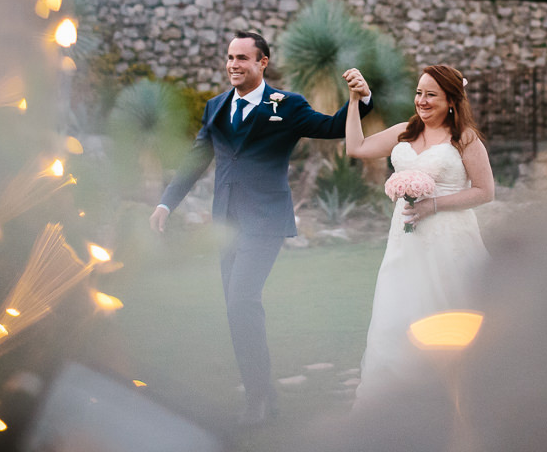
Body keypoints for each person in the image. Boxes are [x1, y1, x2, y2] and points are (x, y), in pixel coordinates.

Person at [149, 31, 373, 426]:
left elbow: (334, 126)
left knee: (241, 302)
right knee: (237, 313)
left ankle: (257, 398)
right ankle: (261, 390)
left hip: (265, 222)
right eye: (230, 57)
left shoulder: (286, 106)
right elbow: (197, 159)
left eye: (242, 58)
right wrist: (167, 202)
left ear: (262, 62)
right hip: (226, 225)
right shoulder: (216, 107)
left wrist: (361, 100)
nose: (233, 64)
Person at [341, 64, 494, 410]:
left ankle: (458, 398)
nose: (422, 101)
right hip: (405, 243)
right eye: (419, 93)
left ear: (452, 101)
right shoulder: (404, 133)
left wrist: (434, 205)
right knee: (399, 312)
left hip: (450, 242)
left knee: (450, 311)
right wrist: (353, 102)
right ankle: (401, 402)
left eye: (431, 95)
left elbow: (485, 192)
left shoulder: (465, 139)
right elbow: (356, 147)